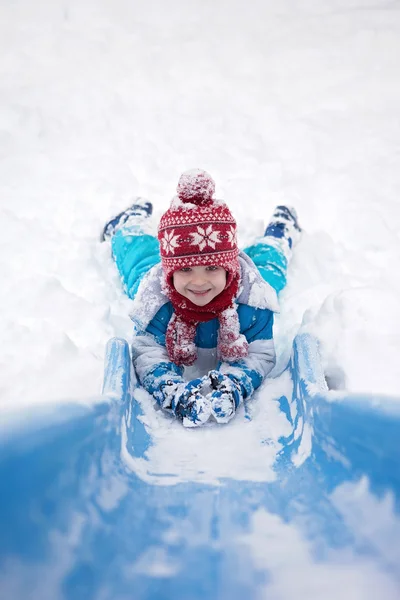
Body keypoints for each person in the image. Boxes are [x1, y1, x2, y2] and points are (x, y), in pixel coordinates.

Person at [102, 169, 301, 427]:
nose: (198, 282)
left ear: (229, 268)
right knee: (137, 259)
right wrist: (172, 391)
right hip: (167, 281)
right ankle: (131, 223)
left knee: (269, 270)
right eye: (185, 269)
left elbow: (258, 353)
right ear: (170, 271)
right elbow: (149, 352)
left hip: (237, 285)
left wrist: (236, 383)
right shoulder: (157, 300)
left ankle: (278, 235)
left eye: (211, 268)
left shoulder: (252, 299)